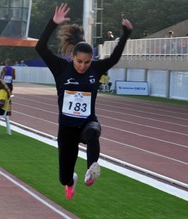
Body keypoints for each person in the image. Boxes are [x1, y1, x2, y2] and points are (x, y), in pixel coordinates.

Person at [35, 3, 133, 200]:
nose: (83, 66)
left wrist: (126, 34)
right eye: (79, 62)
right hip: (67, 128)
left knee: (93, 132)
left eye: (87, 62)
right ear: (72, 58)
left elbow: (114, 58)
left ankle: (91, 170)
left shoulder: (95, 70)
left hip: (88, 121)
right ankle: (71, 180)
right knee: (63, 177)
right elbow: (40, 47)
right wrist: (52, 23)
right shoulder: (61, 68)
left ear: (91, 60)